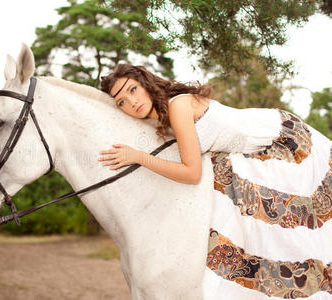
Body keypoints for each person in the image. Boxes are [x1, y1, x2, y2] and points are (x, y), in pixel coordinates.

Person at [98, 64, 332, 298]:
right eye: (121, 102)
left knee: (284, 220)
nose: (131, 102)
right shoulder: (163, 119)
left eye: (133, 90)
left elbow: (191, 173)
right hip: (252, 150)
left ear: (146, 83)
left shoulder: (177, 106)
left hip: (281, 139)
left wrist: (138, 157)